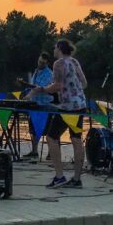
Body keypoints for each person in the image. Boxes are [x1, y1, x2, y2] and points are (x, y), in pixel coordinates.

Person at [38, 38, 88, 188]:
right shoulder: (75, 61)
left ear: (59, 48)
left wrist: (43, 89)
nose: (53, 51)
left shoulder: (58, 64)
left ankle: (59, 176)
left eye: (55, 48)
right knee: (76, 140)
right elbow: (84, 83)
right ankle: (77, 179)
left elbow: (58, 86)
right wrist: (73, 89)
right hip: (80, 105)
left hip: (68, 108)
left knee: (51, 137)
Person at [21, 51, 54, 159]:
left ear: (47, 63)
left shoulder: (49, 74)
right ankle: (34, 151)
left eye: (43, 63)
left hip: (45, 104)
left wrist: (29, 96)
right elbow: (32, 86)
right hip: (34, 104)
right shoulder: (36, 72)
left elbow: (39, 88)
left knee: (47, 129)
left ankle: (51, 153)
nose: (40, 64)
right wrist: (24, 87)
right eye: (39, 62)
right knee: (33, 129)